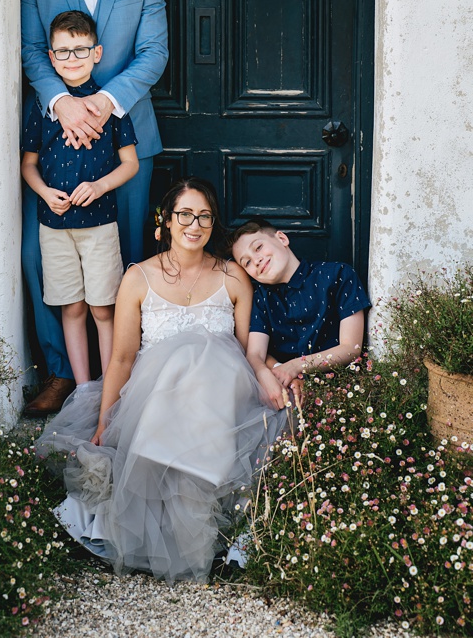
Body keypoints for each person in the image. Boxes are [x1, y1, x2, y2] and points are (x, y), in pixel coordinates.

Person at [34, 178, 290, 581]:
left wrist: (283, 372)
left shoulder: (233, 277)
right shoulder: (139, 278)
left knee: (203, 358)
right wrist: (106, 419)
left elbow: (247, 352)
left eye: (204, 216)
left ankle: (206, 514)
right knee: (174, 364)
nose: (195, 224)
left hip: (219, 401)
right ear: (165, 222)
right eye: (185, 214)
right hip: (157, 400)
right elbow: (121, 357)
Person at [20, 0, 170, 416]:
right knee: (39, 257)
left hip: (127, 141)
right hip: (54, 139)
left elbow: (154, 52)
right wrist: (62, 104)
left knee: (126, 260)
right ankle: (64, 374)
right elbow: (31, 48)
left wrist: (102, 106)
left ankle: (124, 378)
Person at [21, 9, 139, 390]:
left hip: (99, 226)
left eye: (80, 50)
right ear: (51, 57)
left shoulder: (110, 107)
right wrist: (43, 192)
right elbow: (28, 165)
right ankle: (84, 390)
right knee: (71, 307)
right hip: (53, 226)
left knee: (103, 308)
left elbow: (130, 164)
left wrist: (100, 186)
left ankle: (110, 388)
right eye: (63, 52)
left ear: (97, 53)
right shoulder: (42, 107)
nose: (72, 59)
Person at [229, 219, 371, 407]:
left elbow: (350, 348)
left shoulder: (338, 275)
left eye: (258, 248)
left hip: (341, 394)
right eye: (247, 262)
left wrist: (295, 366)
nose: (256, 260)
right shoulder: (262, 298)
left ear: (282, 238)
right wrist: (267, 374)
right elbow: (255, 354)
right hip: (287, 392)